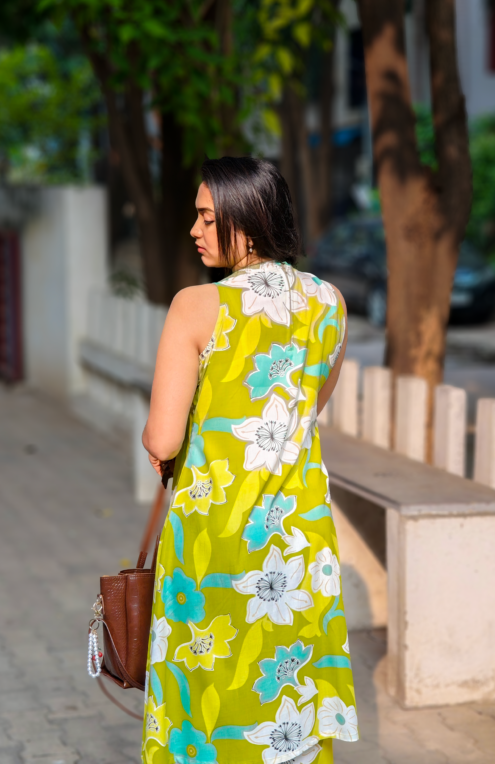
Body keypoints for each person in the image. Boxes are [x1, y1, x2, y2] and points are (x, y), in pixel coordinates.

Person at [141, 156, 358, 764]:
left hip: (218, 540)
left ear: (249, 218)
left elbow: (163, 439)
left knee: (211, 701)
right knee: (286, 694)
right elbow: (307, 410)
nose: (194, 230)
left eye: (208, 217)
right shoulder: (330, 303)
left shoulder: (195, 306)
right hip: (298, 541)